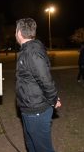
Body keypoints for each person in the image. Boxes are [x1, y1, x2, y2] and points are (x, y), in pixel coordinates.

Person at [15, 18, 61, 152]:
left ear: (18, 32)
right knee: (31, 144)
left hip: (37, 110)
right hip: (29, 107)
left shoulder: (32, 53)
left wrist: (54, 98)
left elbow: (45, 79)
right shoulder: (27, 50)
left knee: (42, 148)